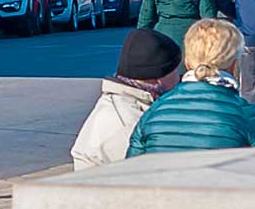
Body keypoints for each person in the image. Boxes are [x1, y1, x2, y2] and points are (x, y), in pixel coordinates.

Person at [126, 19, 255, 157]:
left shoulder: (154, 112)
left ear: (187, 63)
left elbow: (131, 169)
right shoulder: (248, 116)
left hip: (160, 186)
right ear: (234, 65)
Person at [70, 28, 184, 169]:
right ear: (159, 77)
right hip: (107, 187)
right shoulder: (129, 124)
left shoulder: (122, 103)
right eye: (175, 70)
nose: (179, 77)